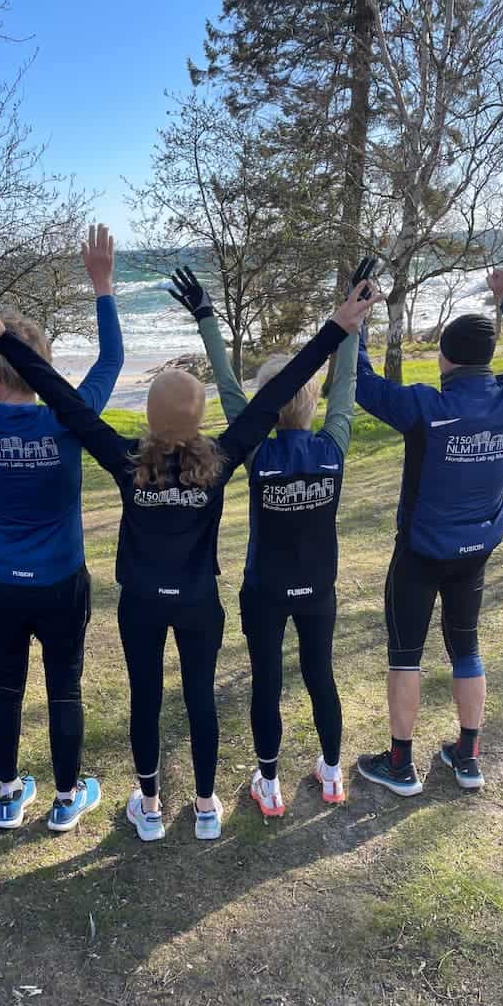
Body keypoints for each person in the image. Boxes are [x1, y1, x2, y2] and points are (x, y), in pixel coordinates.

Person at [0, 275, 382, 842]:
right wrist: (337, 331)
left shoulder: (128, 459)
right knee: (200, 700)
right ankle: (206, 808)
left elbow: (60, 396)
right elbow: (279, 396)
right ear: (201, 418)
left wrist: (4, 338)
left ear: (152, 419)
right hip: (199, 604)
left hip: (142, 606)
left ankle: (150, 806)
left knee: (147, 700)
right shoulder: (224, 455)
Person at [169, 263, 371, 814]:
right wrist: (354, 318)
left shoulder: (255, 449)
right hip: (317, 589)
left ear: (266, 409)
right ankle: (332, 775)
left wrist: (208, 319)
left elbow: (232, 390)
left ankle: (270, 784)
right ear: (312, 401)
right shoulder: (333, 445)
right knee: (318, 675)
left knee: (267, 681)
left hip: (265, 589)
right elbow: (346, 387)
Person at [0, 226, 123, 832]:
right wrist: (102, 286)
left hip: (0, 582)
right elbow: (113, 360)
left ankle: (10, 793)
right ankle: (68, 797)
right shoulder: (67, 417)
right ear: (42, 369)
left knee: (6, 683)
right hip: (59, 581)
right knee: (64, 686)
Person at [354, 267, 503, 796]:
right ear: (485, 359)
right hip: (476, 550)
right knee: (466, 647)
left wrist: (358, 321)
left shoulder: (426, 406)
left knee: (405, 655)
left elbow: (362, 384)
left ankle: (400, 764)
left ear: (446, 358)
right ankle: (467, 756)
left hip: (420, 551)